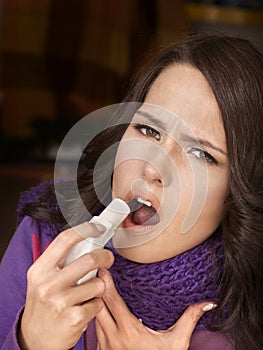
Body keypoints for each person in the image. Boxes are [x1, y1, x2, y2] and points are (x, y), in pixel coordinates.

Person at [0, 33, 262, 350]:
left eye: (200, 154)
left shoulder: (247, 316)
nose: (152, 168)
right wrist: (30, 341)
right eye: (148, 130)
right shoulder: (41, 240)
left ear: (237, 192)